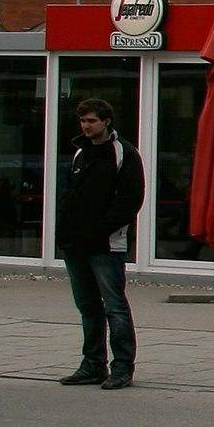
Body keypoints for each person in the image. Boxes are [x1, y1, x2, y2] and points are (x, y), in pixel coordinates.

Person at [56, 97, 144, 391]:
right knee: (87, 306)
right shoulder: (81, 154)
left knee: (114, 306)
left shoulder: (123, 153)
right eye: (83, 121)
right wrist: (65, 232)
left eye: (91, 120)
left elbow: (130, 200)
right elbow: (70, 196)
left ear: (106, 121)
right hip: (76, 244)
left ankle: (122, 366)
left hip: (106, 245)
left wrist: (101, 229)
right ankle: (93, 363)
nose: (86, 126)